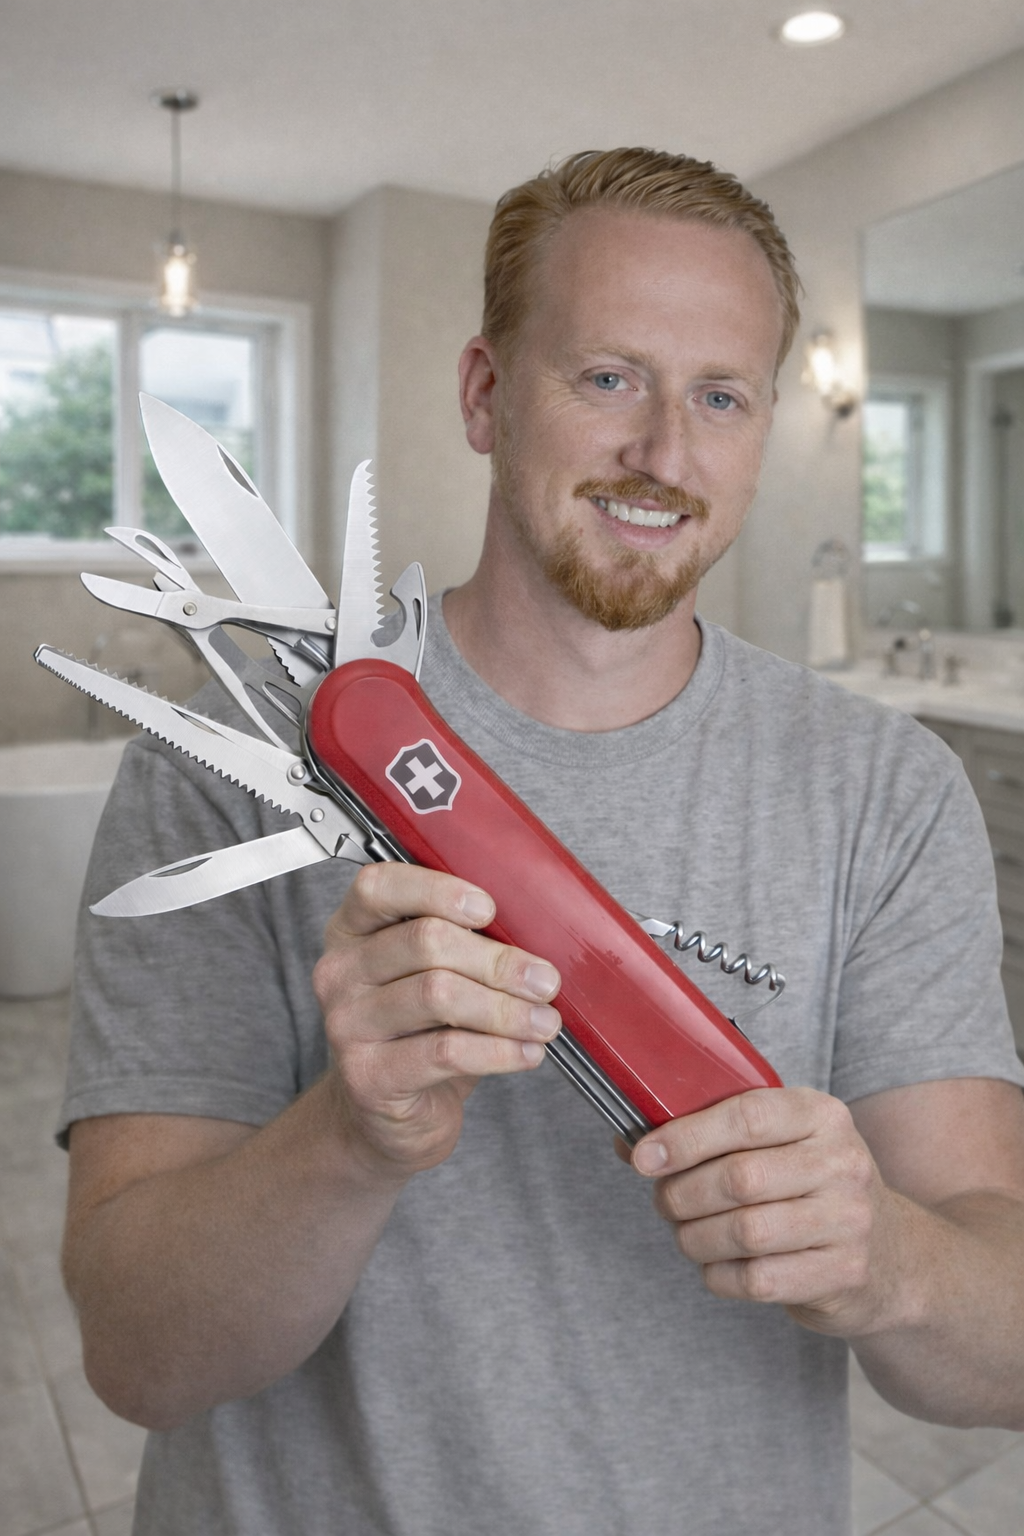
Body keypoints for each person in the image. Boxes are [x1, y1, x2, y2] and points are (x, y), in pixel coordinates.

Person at [61, 149, 1024, 1536]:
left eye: (722, 396)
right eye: (609, 377)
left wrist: (893, 1261)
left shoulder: (886, 793)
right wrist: (352, 1138)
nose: (665, 455)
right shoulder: (230, 770)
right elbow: (141, 1359)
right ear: (484, 393)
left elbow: (998, 1343)